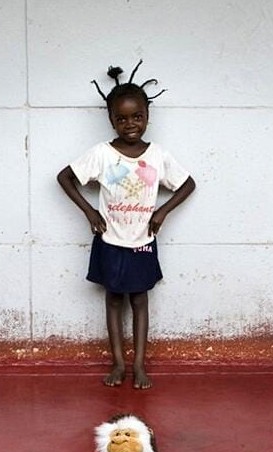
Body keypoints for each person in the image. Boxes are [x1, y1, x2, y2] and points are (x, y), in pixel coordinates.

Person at [57, 60, 196, 390]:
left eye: (137, 117)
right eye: (121, 118)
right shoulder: (102, 154)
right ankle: (118, 363)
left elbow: (188, 184)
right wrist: (89, 212)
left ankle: (139, 366)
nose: (130, 124)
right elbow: (64, 177)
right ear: (111, 120)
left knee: (140, 301)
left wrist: (162, 212)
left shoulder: (158, 155)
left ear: (147, 116)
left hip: (142, 241)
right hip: (110, 241)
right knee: (114, 300)